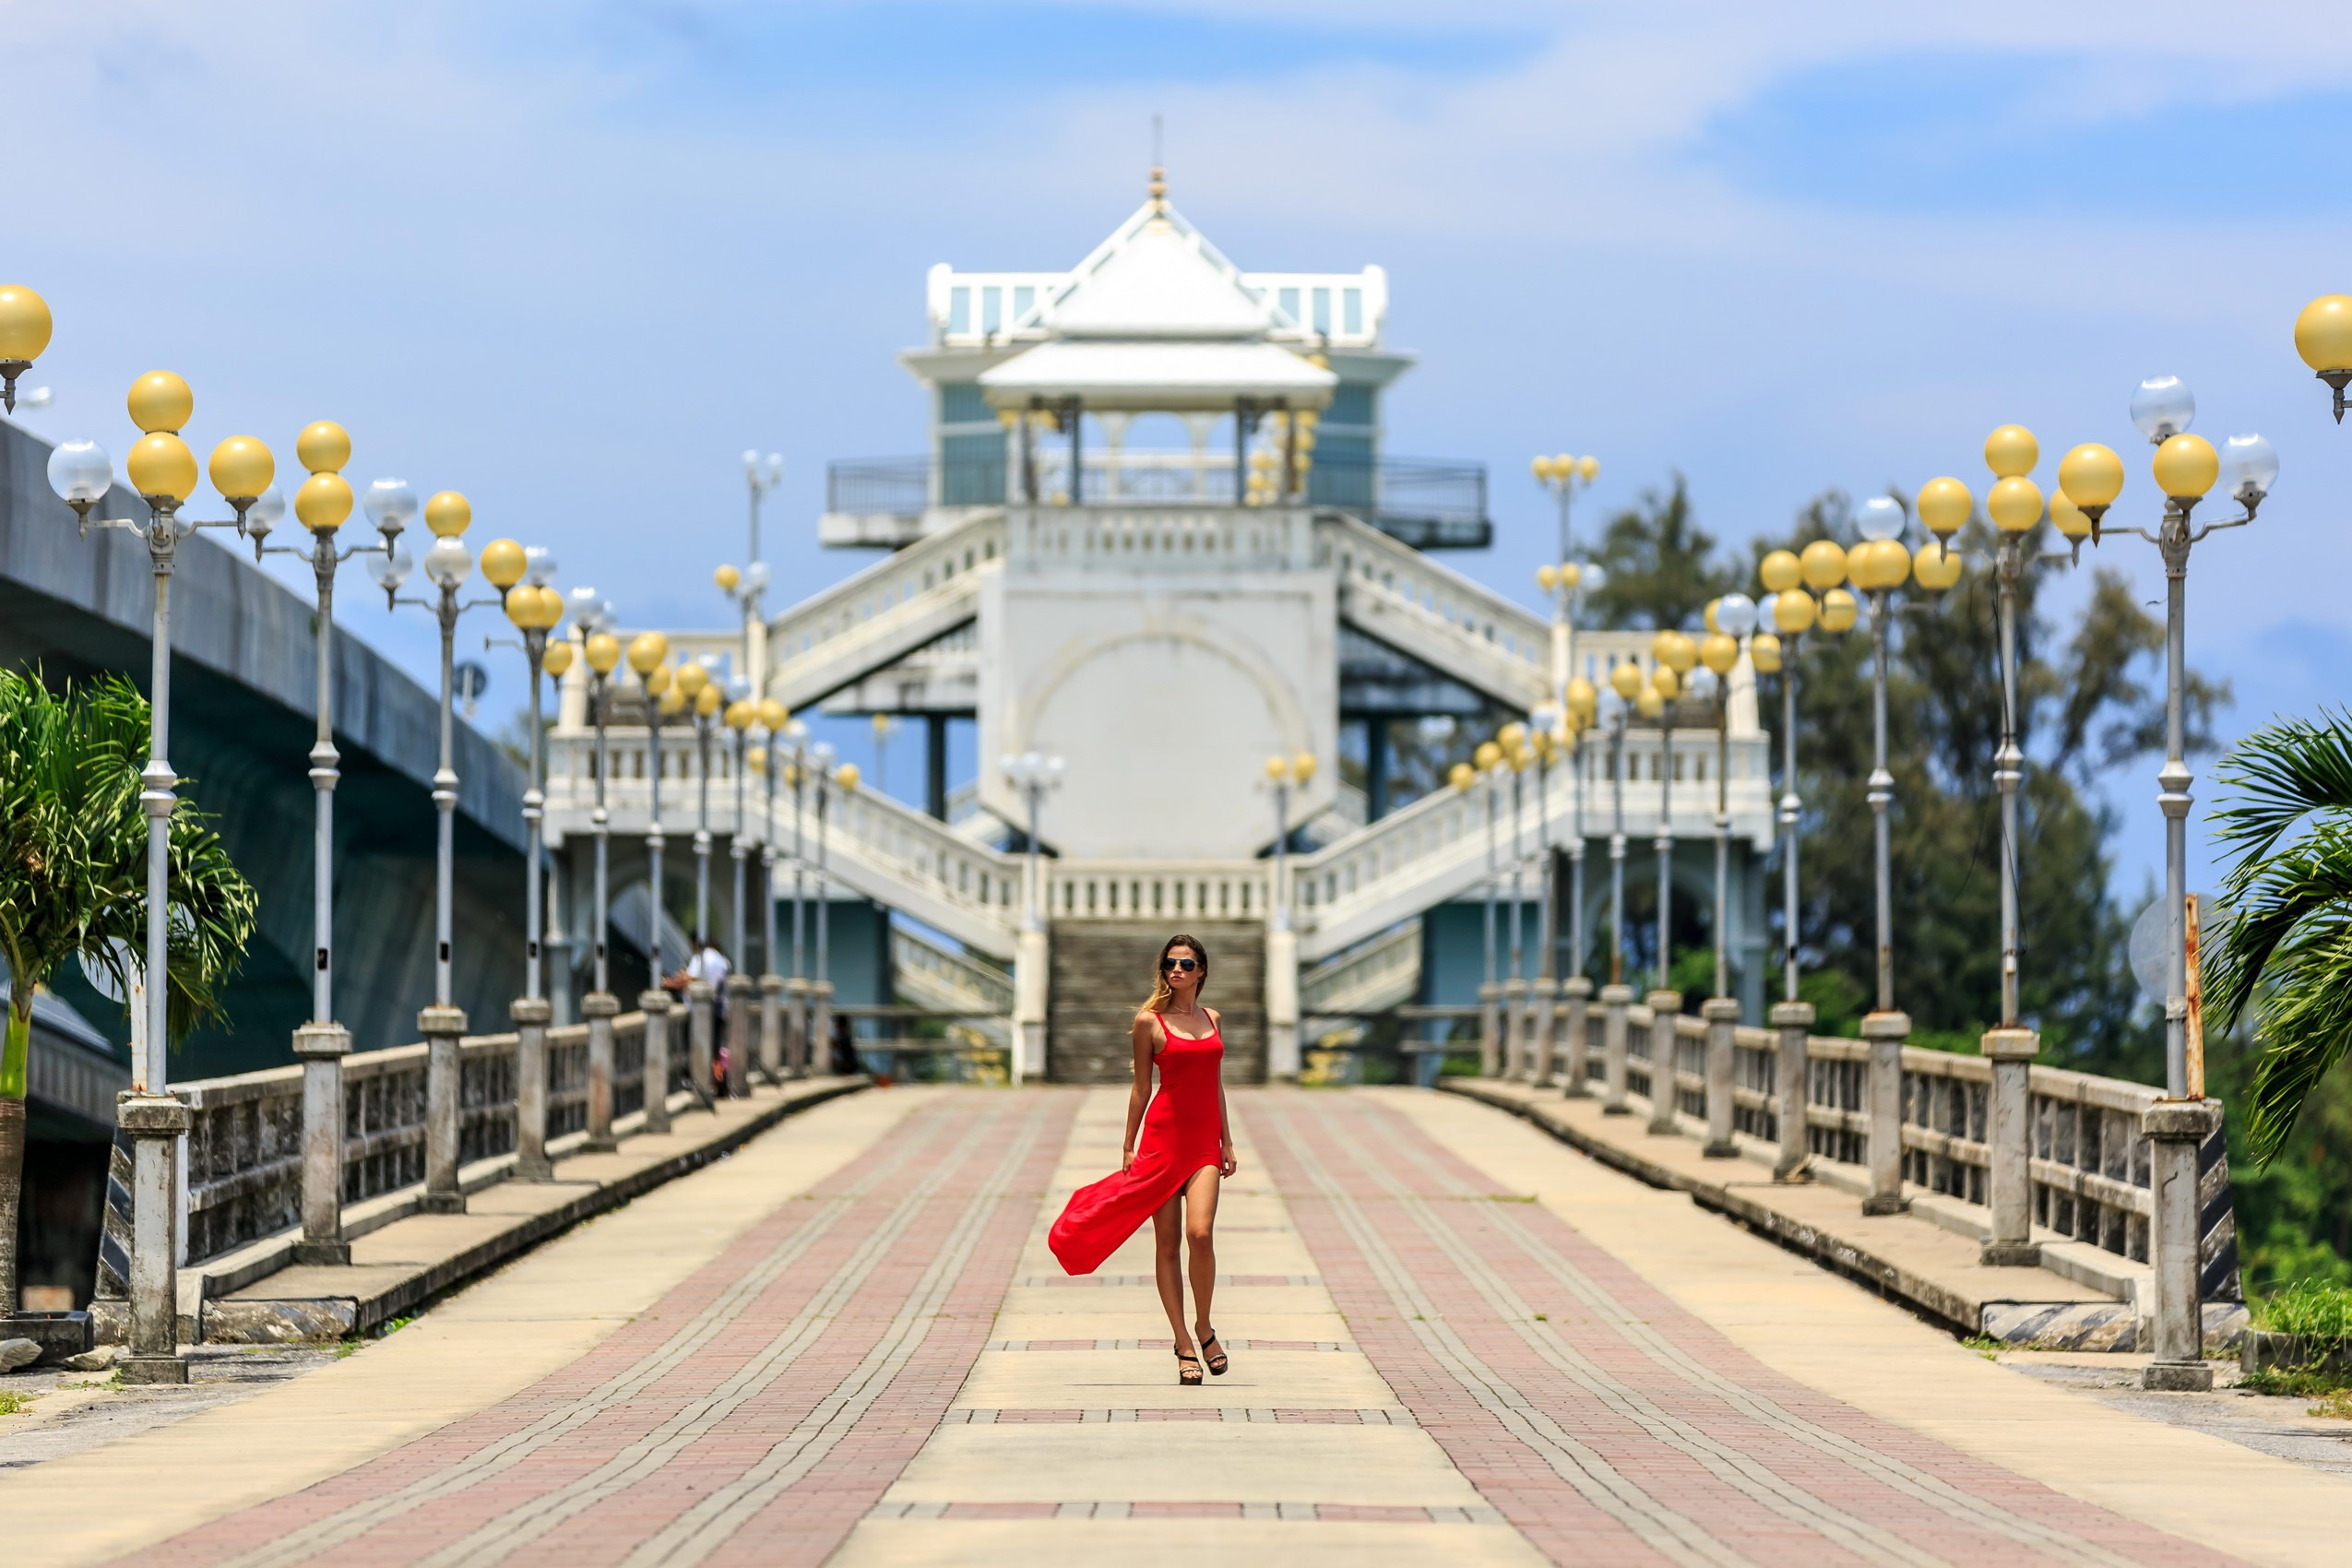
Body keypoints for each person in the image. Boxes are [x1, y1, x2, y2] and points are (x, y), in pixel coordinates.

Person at [1047, 933, 1238, 1386]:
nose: (1177, 970)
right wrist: (1129, 1144)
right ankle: (1183, 1343)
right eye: (1171, 963)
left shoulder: (1213, 1018)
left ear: (1201, 971)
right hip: (1161, 1143)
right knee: (1168, 1244)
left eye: (1186, 964)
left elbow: (1214, 1084)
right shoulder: (1148, 1022)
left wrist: (1227, 1141)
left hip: (1204, 1143)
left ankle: (1205, 1326)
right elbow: (1141, 1088)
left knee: (1201, 1232)